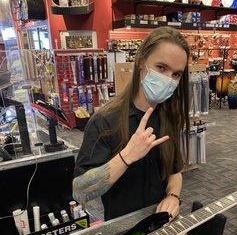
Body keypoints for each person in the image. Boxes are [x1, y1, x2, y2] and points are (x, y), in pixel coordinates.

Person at [73, 27, 190, 221]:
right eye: (161, 67)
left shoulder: (169, 117)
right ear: (142, 62)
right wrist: (127, 156)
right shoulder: (105, 120)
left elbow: (175, 172)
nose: (168, 80)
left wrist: (173, 196)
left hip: (161, 225)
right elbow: (80, 192)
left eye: (176, 74)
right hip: (123, 233)